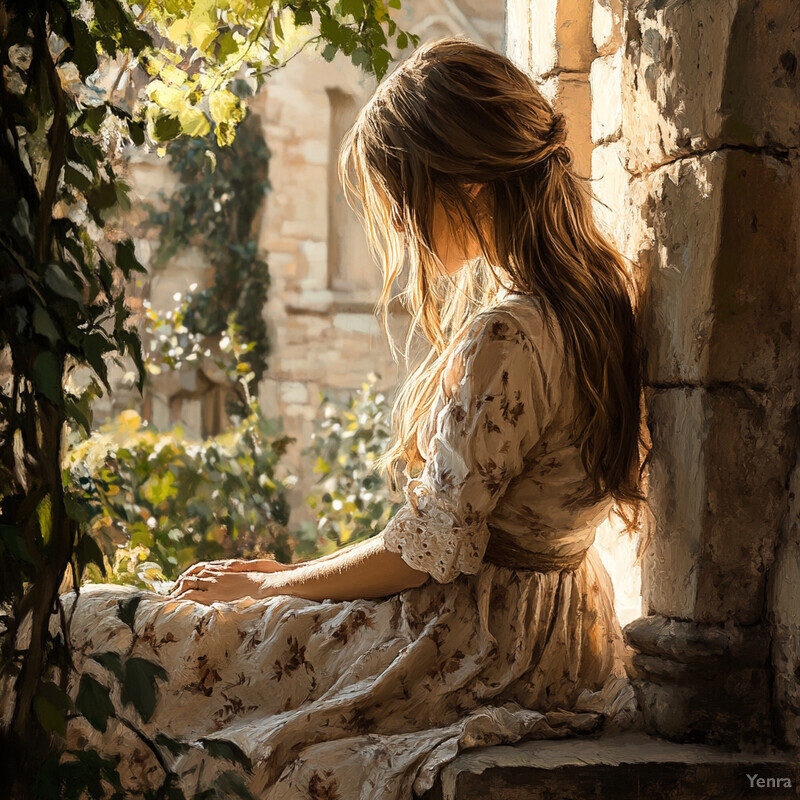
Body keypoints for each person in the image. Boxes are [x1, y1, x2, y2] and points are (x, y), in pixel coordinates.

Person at [61, 36, 647, 799]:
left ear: (467, 183)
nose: (400, 224)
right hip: (553, 634)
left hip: (465, 645)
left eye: (405, 195)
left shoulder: (511, 333)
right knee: (147, 626)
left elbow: (427, 552)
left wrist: (273, 590)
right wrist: (288, 578)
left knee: (98, 635)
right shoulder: (600, 298)